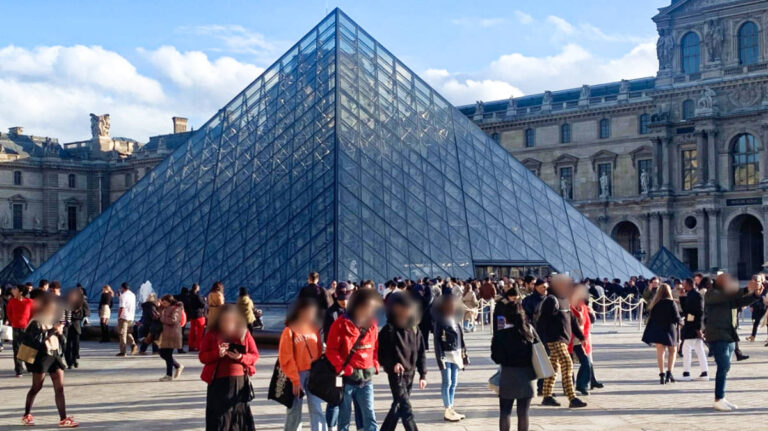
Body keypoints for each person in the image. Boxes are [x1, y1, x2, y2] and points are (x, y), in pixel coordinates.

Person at [326, 288, 382, 431]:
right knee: (344, 418)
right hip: (347, 380)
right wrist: (344, 368)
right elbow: (331, 350)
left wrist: (375, 364)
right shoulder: (340, 324)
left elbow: (375, 347)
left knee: (369, 416)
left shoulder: (372, 324)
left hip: (366, 378)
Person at [705, 273, 762, 412]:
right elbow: (727, 296)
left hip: (729, 334)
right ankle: (718, 399)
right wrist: (745, 289)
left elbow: (739, 302)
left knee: (726, 368)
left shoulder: (727, 295)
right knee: (723, 366)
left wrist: (755, 295)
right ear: (718, 282)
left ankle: (722, 398)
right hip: (718, 334)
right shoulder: (712, 293)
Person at [21, 294, 79, 427]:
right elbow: (38, 340)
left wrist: (60, 333)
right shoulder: (35, 321)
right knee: (37, 387)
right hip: (41, 357)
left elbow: (61, 341)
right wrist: (54, 330)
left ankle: (63, 419)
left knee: (60, 388)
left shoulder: (53, 320)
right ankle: (26, 414)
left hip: (54, 355)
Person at [199, 304, 259, 430]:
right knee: (219, 417)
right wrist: (217, 353)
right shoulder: (211, 334)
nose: (228, 321)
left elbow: (254, 355)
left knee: (237, 415)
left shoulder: (244, 333)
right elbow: (203, 357)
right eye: (225, 319)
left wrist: (240, 357)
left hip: (239, 381)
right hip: (218, 382)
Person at [378, 293, 427, 431]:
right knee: (406, 407)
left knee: (398, 405)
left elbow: (421, 352)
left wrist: (423, 374)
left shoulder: (415, 329)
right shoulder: (389, 330)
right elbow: (380, 354)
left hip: (410, 373)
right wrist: (392, 364)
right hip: (396, 375)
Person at [537, 274, 587, 408]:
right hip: (555, 339)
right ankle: (572, 398)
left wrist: (581, 336)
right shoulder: (551, 300)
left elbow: (572, 320)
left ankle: (547, 396)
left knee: (554, 367)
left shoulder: (564, 300)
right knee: (567, 364)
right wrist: (541, 341)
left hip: (563, 339)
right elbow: (542, 322)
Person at [278, 298, 324, 431]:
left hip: (313, 374)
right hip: (298, 374)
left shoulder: (314, 329)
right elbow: (286, 356)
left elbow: (319, 349)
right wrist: (295, 380)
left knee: (316, 407)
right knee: (294, 411)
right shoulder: (289, 331)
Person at [322, 282, 363, 431]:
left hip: (356, 365)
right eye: (341, 299)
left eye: (346, 298)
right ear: (335, 296)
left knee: (358, 400)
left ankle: (360, 427)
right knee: (335, 396)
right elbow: (328, 339)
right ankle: (331, 426)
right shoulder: (331, 313)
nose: (344, 302)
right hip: (337, 366)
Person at [492, 300, 535, 431]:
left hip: (508, 374)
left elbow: (496, 357)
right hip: (527, 375)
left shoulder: (501, 335)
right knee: (523, 413)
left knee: (505, 412)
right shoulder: (529, 333)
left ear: (506, 317)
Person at [433, 295, 469, 422]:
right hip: (446, 355)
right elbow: (436, 342)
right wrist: (440, 358)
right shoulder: (440, 322)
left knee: (454, 383)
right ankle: (447, 409)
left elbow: (461, 340)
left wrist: (465, 354)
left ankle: (451, 408)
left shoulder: (456, 320)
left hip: (457, 354)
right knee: (447, 382)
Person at [641, 283, 681, 384]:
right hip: (670, 329)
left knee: (660, 352)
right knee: (672, 351)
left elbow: (652, 317)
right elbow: (676, 318)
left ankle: (662, 374)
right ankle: (669, 373)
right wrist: (682, 322)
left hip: (658, 330)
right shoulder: (671, 303)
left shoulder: (655, 303)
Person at [568, 283, 597, 395]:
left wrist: (583, 337)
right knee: (568, 366)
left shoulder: (583, 307)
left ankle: (582, 385)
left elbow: (588, 323)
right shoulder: (567, 307)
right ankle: (569, 386)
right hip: (568, 340)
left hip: (579, 340)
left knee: (586, 362)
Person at [679, 278, 708, 381]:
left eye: (684, 284)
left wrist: (698, 328)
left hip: (693, 326)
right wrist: (682, 297)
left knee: (686, 349)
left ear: (689, 284)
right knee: (699, 350)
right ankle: (704, 372)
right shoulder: (690, 294)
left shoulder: (696, 295)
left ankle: (686, 373)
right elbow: (686, 309)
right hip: (691, 324)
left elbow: (700, 312)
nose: (682, 285)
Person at [7, 284, 34, 377]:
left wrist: (29, 322)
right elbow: (9, 312)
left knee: (27, 348)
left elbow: (33, 313)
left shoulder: (29, 302)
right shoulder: (12, 301)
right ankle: (19, 370)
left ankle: (29, 366)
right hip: (16, 327)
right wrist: (13, 321)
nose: (13, 290)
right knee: (17, 348)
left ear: (20, 292)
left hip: (27, 327)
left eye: (15, 289)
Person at [158, 295, 184, 381]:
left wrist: (162, 317)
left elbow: (173, 320)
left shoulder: (176, 308)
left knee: (167, 354)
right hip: (166, 334)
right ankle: (177, 366)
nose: (163, 304)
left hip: (173, 334)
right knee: (163, 353)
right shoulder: (165, 308)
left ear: (169, 302)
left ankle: (169, 375)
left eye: (165, 302)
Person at [63, 288, 89, 369]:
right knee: (67, 345)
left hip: (76, 326)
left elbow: (85, 313)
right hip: (67, 327)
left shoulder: (81, 302)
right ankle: (69, 362)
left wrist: (75, 315)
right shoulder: (65, 302)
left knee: (76, 345)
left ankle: (74, 359)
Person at [115, 283, 137, 356]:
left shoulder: (123, 296)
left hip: (124, 317)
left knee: (122, 334)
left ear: (122, 288)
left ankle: (123, 351)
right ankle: (133, 345)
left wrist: (119, 316)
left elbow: (122, 307)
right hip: (131, 317)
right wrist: (120, 297)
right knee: (127, 332)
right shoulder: (133, 295)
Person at [188, 283, 207, 352]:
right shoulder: (198, 296)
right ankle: (198, 346)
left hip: (192, 316)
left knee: (192, 332)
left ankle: (191, 346)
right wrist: (204, 300)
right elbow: (202, 305)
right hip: (199, 316)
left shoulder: (189, 296)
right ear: (197, 288)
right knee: (200, 332)